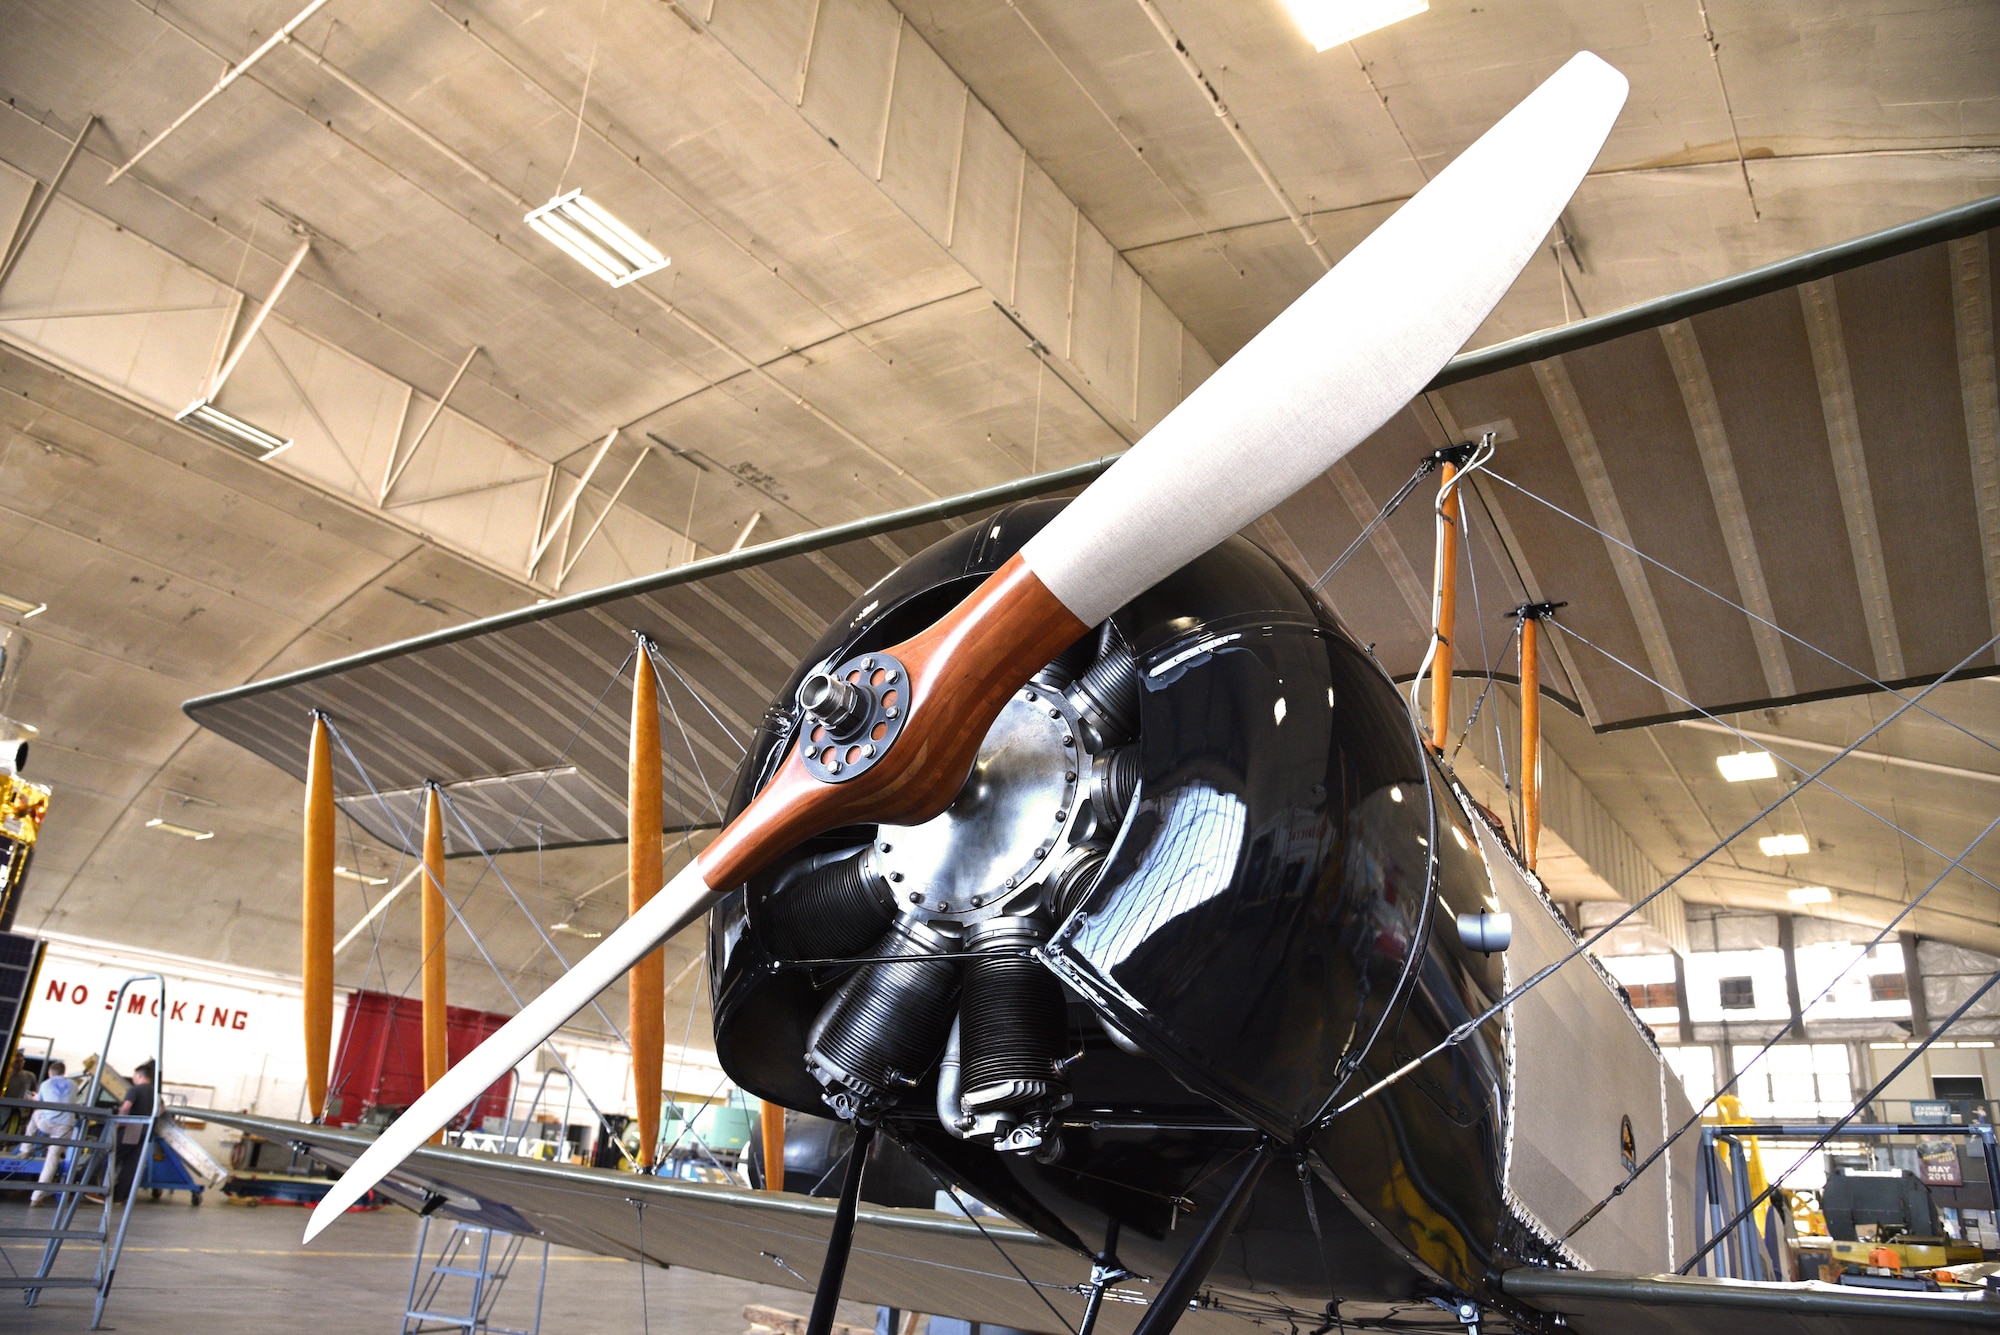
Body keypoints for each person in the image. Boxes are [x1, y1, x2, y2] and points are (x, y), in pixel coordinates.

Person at [21, 1058, 75, 1206]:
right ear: (63, 1072)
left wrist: (32, 1098)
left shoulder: (45, 1083)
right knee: (52, 1159)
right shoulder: (73, 1084)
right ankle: (36, 1198)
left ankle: (26, 1149)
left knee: (36, 1113)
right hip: (65, 1127)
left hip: (47, 1123)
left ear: (50, 1073)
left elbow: (39, 1101)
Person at [111, 1059, 156, 1203]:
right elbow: (161, 1108)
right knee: (131, 1165)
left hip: (133, 1128)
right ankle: (119, 1197)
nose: (133, 1079)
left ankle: (98, 1189)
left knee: (112, 1156)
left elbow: (125, 1107)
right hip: (147, 1131)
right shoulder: (155, 1091)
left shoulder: (135, 1089)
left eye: (135, 1076)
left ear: (140, 1076)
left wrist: (118, 1123)